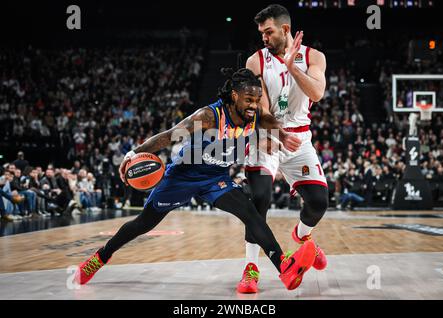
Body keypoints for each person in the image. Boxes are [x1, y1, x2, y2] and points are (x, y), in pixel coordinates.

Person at [74, 68, 317, 291]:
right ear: (234, 95)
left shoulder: (255, 114)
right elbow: (169, 136)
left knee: (250, 212)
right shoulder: (208, 116)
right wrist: (133, 154)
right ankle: (100, 257)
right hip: (183, 176)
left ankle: (284, 266)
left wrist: (282, 135)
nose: (254, 105)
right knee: (143, 223)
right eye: (248, 99)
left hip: (215, 178)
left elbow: (269, 120)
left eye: (256, 99)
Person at [241, 4, 328, 293]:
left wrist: (292, 67)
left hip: (300, 139)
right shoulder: (256, 61)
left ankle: (302, 238)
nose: (264, 37)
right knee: (260, 198)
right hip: (267, 136)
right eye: (261, 33)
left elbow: (317, 92)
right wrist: (274, 133)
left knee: (318, 202)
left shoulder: (314, 56)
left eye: (268, 32)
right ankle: (250, 269)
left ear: (285, 29)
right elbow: (261, 108)